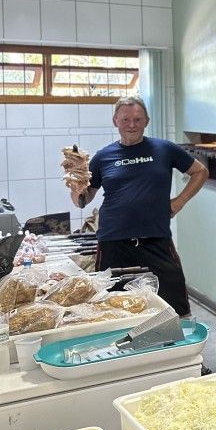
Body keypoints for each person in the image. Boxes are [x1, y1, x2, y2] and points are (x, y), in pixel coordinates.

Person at [64, 96, 208, 316]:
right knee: (112, 306)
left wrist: (179, 202)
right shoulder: (103, 157)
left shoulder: (164, 149)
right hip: (114, 241)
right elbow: (83, 201)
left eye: (137, 119)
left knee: (175, 305)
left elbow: (200, 171)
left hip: (155, 239)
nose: (131, 125)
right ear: (115, 121)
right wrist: (75, 181)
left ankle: (178, 346)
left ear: (146, 121)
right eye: (126, 119)